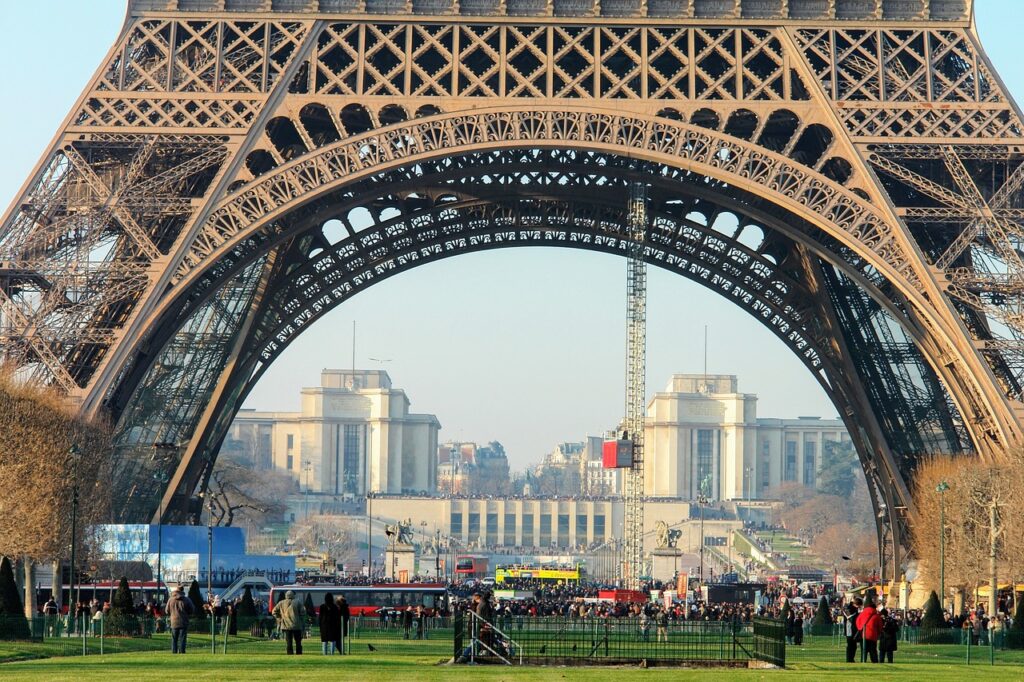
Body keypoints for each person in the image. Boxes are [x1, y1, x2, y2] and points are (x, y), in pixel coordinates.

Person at [273, 589, 306, 655]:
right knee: (298, 641)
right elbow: (303, 612)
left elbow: (274, 612)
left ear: (286, 595)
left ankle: (289, 653)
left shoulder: (281, 603)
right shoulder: (298, 602)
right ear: (293, 595)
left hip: (286, 625)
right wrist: (300, 618)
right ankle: (299, 653)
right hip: (297, 625)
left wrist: (280, 618)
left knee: (289, 641)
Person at [167, 585, 195, 654]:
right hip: (183, 621)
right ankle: (182, 652)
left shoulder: (171, 599)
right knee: (182, 638)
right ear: (182, 590)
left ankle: (174, 652)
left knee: (174, 639)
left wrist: (172, 613)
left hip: (174, 622)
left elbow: (166, 610)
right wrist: (187, 613)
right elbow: (192, 609)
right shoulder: (186, 599)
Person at [855, 597, 882, 663]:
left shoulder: (862, 614)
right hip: (873, 635)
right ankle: (875, 662)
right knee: (873, 651)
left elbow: (857, 623)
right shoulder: (876, 615)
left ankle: (863, 661)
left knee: (863, 651)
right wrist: (878, 633)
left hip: (863, 635)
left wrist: (860, 628)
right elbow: (880, 626)